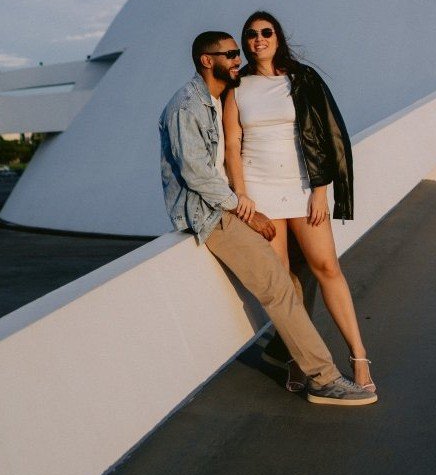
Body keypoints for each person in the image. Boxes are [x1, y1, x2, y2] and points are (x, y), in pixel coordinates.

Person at [160, 30, 377, 406]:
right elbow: (196, 173)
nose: (237, 60)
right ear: (207, 61)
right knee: (277, 283)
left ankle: (289, 354)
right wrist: (245, 208)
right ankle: (323, 379)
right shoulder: (187, 105)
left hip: (231, 205)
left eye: (237, 53)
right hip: (210, 213)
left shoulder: (215, 99)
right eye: (230, 54)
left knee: (295, 275)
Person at [223, 11, 376, 395]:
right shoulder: (237, 87)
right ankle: (296, 358)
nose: (259, 39)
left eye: (266, 32)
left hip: (303, 188)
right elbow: (232, 143)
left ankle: (358, 356)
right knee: (284, 279)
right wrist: (241, 193)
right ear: (246, 42)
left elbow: (324, 133)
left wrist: (321, 191)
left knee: (326, 267)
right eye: (251, 34)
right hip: (261, 191)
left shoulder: (302, 79)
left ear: (278, 37)